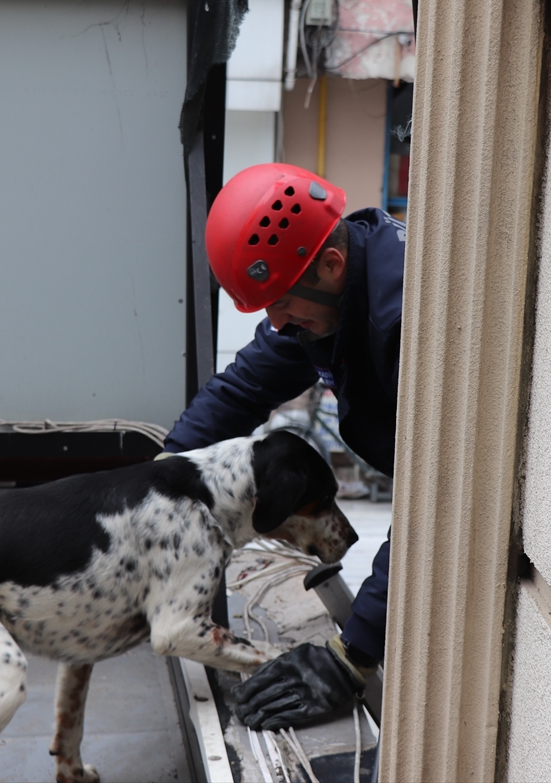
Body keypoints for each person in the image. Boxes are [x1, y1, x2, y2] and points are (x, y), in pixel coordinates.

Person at [162, 162, 406, 730]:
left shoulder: (405, 324)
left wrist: (353, 655)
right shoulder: (330, 295)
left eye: (280, 304)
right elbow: (245, 386)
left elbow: (442, 507)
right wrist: (159, 476)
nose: (275, 322)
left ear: (330, 264)